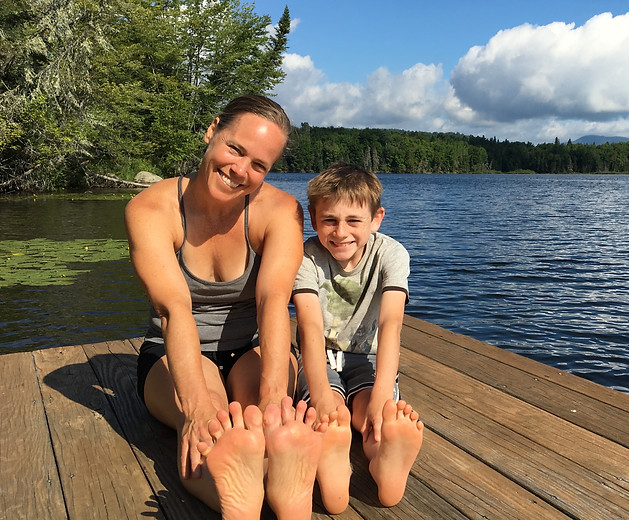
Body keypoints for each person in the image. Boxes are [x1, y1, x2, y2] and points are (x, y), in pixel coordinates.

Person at [125, 94, 324, 520]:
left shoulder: (280, 211)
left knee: (265, 423)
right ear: (212, 130)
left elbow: (273, 302)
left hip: (252, 347)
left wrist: (273, 399)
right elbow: (173, 309)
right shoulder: (151, 209)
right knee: (211, 424)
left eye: (259, 165)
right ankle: (242, 500)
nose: (241, 171)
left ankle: (274, 479)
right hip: (174, 351)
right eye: (236, 149)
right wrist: (195, 408)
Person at [292, 162, 424, 512]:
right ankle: (332, 454)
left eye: (354, 221)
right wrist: (320, 395)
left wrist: (383, 393)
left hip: (369, 356)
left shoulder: (391, 254)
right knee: (330, 412)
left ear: (376, 218)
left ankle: (383, 460)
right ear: (313, 216)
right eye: (329, 220)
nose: (340, 232)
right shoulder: (305, 256)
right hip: (319, 355)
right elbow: (308, 326)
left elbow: (391, 322)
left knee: (371, 415)